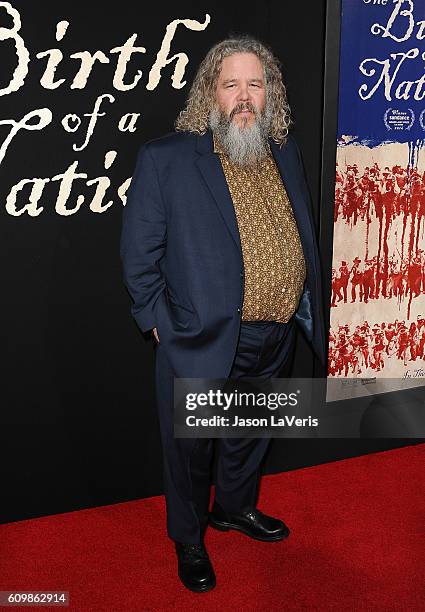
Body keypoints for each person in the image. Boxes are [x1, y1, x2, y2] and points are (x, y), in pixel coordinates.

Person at [120, 36, 325, 593]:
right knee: (189, 450)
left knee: (248, 434)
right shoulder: (167, 158)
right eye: (230, 83)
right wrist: (159, 322)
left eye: (255, 84)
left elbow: (300, 233)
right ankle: (188, 538)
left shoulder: (284, 150)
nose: (243, 96)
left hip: (276, 331)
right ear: (211, 91)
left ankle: (234, 508)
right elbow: (140, 256)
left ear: (270, 93)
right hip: (200, 337)